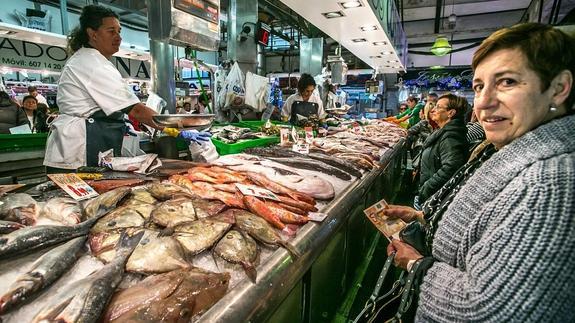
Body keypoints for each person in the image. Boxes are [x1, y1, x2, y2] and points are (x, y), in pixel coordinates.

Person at [385, 23, 575, 321]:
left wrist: (417, 265)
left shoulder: (552, 184)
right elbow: (486, 224)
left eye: (508, 82)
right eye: (479, 86)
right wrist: (423, 216)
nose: (484, 102)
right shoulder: (507, 149)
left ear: (558, 88)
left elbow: (494, 310)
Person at [44, 5, 210, 171]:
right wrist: (178, 129)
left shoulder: (93, 60)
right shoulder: (92, 64)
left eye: (119, 31)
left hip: (88, 143)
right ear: (92, 34)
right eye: (111, 31)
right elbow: (136, 111)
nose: (118, 37)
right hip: (78, 152)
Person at [415, 94, 468, 208]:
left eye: (438, 107)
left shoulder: (450, 136)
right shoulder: (442, 131)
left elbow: (452, 167)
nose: (433, 110)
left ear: (451, 113)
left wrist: (426, 188)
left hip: (435, 199)